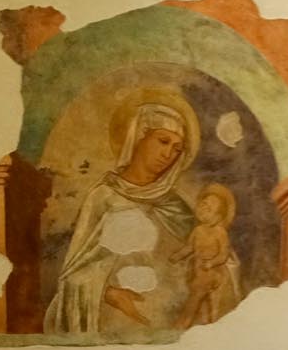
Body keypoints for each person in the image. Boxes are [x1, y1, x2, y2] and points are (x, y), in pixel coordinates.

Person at [45, 103, 198, 337]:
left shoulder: (175, 205)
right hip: (110, 322)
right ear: (139, 137)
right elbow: (75, 274)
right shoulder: (103, 197)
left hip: (169, 323)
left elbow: (205, 257)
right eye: (163, 141)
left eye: (177, 149)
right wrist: (109, 293)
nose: (168, 154)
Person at [173, 184, 242, 328]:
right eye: (202, 205)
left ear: (219, 215)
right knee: (203, 305)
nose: (203, 210)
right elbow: (189, 247)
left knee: (198, 300)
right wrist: (178, 256)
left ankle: (182, 325)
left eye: (209, 209)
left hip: (214, 273)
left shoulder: (220, 232)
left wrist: (211, 263)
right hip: (199, 270)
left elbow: (223, 255)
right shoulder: (198, 230)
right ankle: (203, 327)